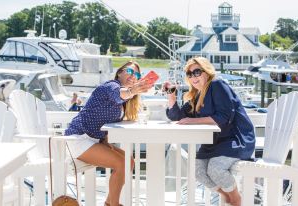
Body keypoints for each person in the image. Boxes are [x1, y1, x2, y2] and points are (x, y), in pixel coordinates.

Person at [165, 57, 255, 206]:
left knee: (215, 168)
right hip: (215, 143)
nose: (193, 76)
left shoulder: (216, 84)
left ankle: (236, 199)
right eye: (189, 74)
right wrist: (171, 95)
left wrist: (193, 121)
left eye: (197, 72)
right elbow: (177, 116)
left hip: (235, 140)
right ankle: (228, 196)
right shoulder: (197, 95)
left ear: (206, 72)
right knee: (198, 170)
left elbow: (224, 117)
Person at [65, 61, 152, 206]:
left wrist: (105, 141)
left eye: (136, 74)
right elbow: (119, 94)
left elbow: (106, 120)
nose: (133, 76)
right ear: (119, 73)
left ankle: (108, 203)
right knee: (120, 164)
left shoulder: (125, 99)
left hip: (93, 140)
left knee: (129, 161)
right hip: (78, 138)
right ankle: (114, 204)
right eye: (130, 71)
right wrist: (132, 91)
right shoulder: (111, 86)